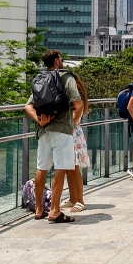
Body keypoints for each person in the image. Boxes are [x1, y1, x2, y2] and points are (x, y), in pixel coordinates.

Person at [24, 50, 84, 223]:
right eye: (62, 59)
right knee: (60, 168)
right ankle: (55, 211)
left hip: (43, 131)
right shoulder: (66, 77)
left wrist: (40, 121)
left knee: (41, 168)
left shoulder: (42, 79)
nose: (62, 61)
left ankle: (38, 209)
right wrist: (71, 119)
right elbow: (77, 102)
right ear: (57, 61)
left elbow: (28, 107)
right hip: (62, 130)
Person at [63, 68, 90, 213]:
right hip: (68, 133)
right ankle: (73, 198)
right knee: (68, 168)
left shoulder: (77, 100)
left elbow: (73, 119)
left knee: (74, 169)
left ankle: (80, 200)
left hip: (73, 135)